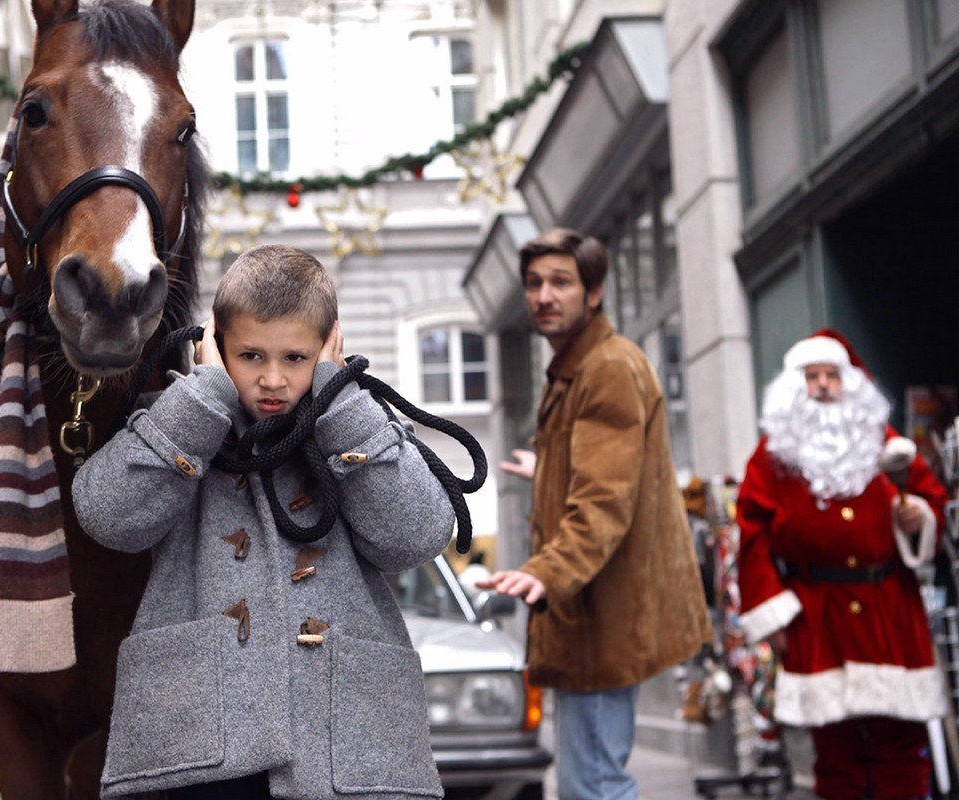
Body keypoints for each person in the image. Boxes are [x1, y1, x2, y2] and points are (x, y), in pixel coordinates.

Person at [72, 244, 455, 800]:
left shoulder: (355, 423)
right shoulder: (181, 417)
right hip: (196, 747)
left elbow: (418, 536)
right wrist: (202, 397)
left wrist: (341, 406)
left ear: (329, 347)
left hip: (344, 748)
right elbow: (108, 516)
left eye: (295, 359)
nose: (273, 379)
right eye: (250, 356)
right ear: (215, 342)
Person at [478, 228, 712, 800]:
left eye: (561, 282)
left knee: (595, 786)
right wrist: (551, 470)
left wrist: (542, 572)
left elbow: (605, 503)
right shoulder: (580, 365)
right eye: (534, 283)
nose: (543, 296)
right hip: (593, 615)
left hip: (601, 618)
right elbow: (610, 473)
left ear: (595, 291)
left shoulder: (605, 368)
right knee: (592, 780)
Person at [736, 330, 949, 800]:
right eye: (812, 377)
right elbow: (750, 538)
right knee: (835, 754)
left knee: (901, 745)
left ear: (850, 384)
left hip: (889, 608)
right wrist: (771, 613)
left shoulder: (886, 444)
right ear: (795, 388)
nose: (824, 386)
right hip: (817, 615)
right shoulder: (771, 460)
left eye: (832, 375)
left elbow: (932, 499)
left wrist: (920, 518)